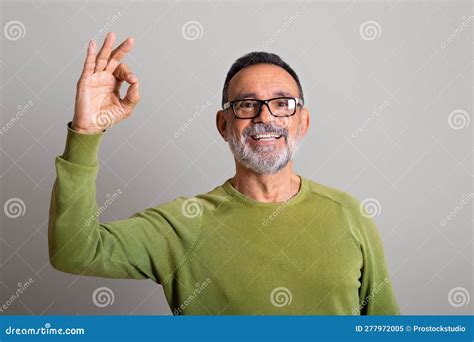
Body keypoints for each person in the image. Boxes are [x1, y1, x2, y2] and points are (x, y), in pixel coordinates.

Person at [48, 32, 400, 315]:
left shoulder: (348, 214)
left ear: (302, 122)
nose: (265, 118)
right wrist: (86, 132)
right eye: (247, 105)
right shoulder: (182, 225)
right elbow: (74, 251)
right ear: (223, 125)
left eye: (282, 104)